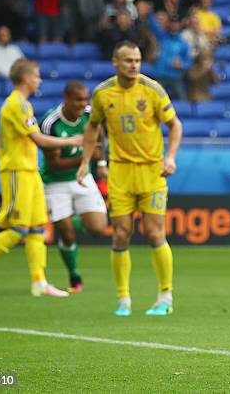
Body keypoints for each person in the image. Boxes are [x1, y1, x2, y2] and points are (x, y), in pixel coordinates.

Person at [76, 41, 183, 317]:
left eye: (137, 60)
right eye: (128, 60)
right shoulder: (102, 94)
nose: (134, 65)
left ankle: (165, 296)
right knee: (122, 234)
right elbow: (92, 128)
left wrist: (170, 157)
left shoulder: (152, 89)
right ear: (115, 62)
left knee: (155, 232)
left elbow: (175, 125)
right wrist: (86, 162)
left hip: (152, 172)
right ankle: (123, 299)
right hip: (120, 173)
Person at [0, 58, 83, 298]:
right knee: (18, 230)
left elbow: (0, 138)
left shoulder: (20, 105)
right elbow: (38, 139)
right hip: (16, 171)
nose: (40, 80)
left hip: (30, 171)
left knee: (38, 227)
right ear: (26, 78)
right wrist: (72, 140)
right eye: (37, 76)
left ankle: (39, 282)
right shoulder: (17, 105)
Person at [40, 81, 109, 293]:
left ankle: (70, 218)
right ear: (66, 98)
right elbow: (55, 163)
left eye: (86, 99)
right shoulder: (51, 123)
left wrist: (101, 162)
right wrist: (83, 155)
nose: (83, 104)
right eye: (78, 99)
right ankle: (74, 273)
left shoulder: (90, 114)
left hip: (83, 178)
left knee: (98, 228)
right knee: (67, 235)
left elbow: (100, 136)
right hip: (55, 183)